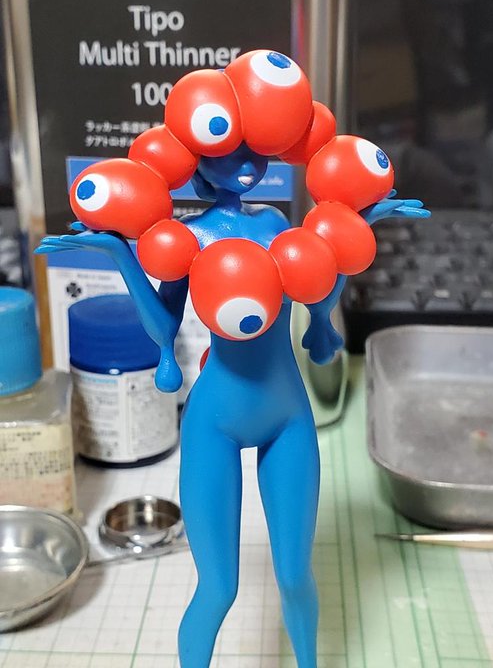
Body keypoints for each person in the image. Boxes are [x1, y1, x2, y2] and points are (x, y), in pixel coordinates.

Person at [38, 50, 428, 668]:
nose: (245, 164)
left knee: (295, 576)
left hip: (287, 415)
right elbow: (163, 326)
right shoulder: (188, 236)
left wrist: (360, 222)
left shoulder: (278, 224)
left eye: (256, 149)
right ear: (195, 158)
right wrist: (119, 255)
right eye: (227, 150)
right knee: (218, 587)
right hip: (214, 419)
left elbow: (317, 290)